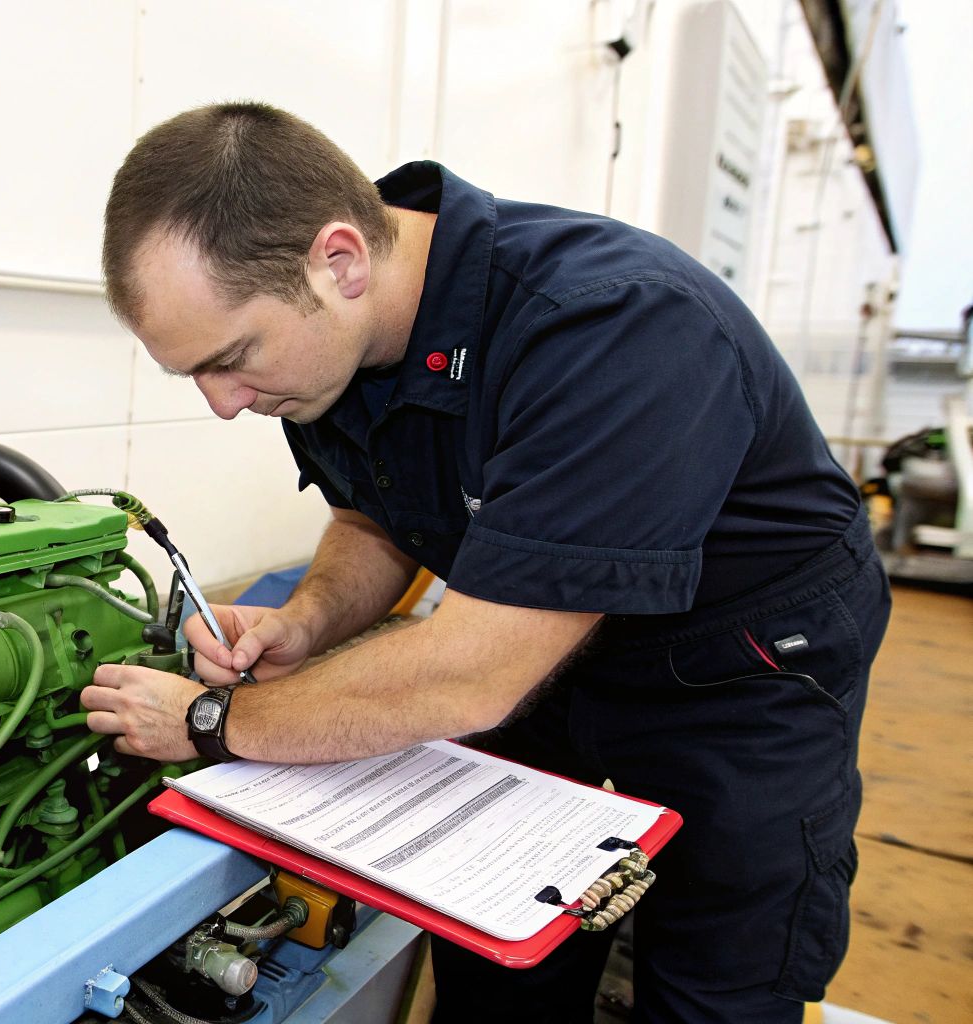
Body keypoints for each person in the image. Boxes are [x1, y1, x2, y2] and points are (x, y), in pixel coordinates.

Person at [80, 102, 890, 1023]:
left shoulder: (611, 327)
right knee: (495, 951)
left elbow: (473, 674)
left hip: (737, 668)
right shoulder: (335, 347)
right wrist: (305, 621)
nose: (223, 404)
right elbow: (375, 515)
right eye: (195, 375)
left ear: (338, 261)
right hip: (539, 654)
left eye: (231, 360)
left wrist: (215, 718)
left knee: (720, 978)